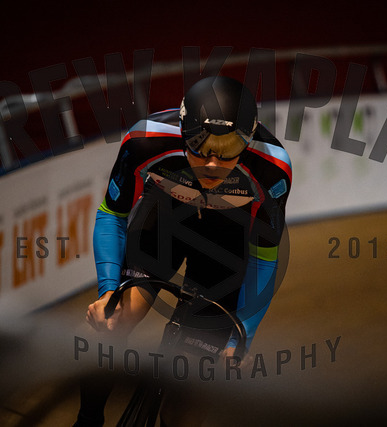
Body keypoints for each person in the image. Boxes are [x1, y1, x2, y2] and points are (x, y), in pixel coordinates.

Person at [75, 76, 292, 426]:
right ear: (182, 129)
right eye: (199, 144)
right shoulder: (145, 139)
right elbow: (112, 213)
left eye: (228, 148)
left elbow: (264, 257)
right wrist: (108, 293)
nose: (212, 162)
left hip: (225, 246)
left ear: (249, 139)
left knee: (191, 389)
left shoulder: (273, 168)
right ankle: (88, 420)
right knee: (107, 327)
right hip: (162, 225)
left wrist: (241, 339)